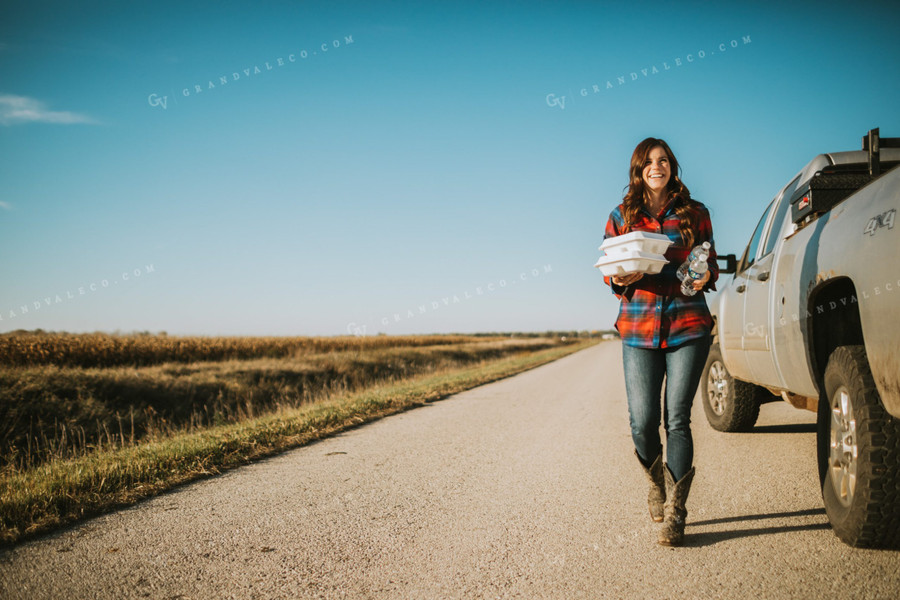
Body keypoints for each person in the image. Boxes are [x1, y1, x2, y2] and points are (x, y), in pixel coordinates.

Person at [602, 137, 718, 546]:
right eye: (649, 161)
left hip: (688, 325)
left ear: (672, 167)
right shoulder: (621, 215)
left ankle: (677, 513)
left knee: (677, 419)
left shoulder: (695, 213)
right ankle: (655, 481)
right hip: (637, 328)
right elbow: (609, 271)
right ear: (638, 169)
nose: (657, 166)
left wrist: (705, 275)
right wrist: (619, 277)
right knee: (641, 421)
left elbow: (709, 262)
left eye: (664, 160)